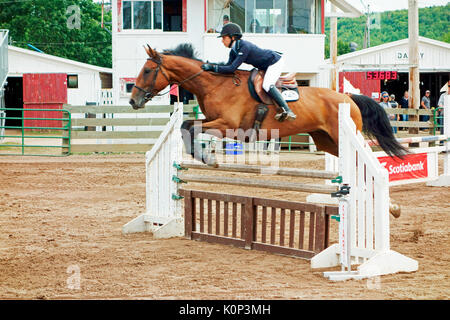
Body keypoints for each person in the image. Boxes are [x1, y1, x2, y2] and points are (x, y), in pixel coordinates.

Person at [201, 23, 296, 121]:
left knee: (267, 85)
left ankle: (288, 110)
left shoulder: (244, 46)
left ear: (233, 37)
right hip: (264, 65)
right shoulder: (233, 51)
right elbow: (227, 66)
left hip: (274, 62)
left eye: (224, 38)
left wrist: (213, 68)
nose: (222, 41)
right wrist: (212, 66)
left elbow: (232, 68)